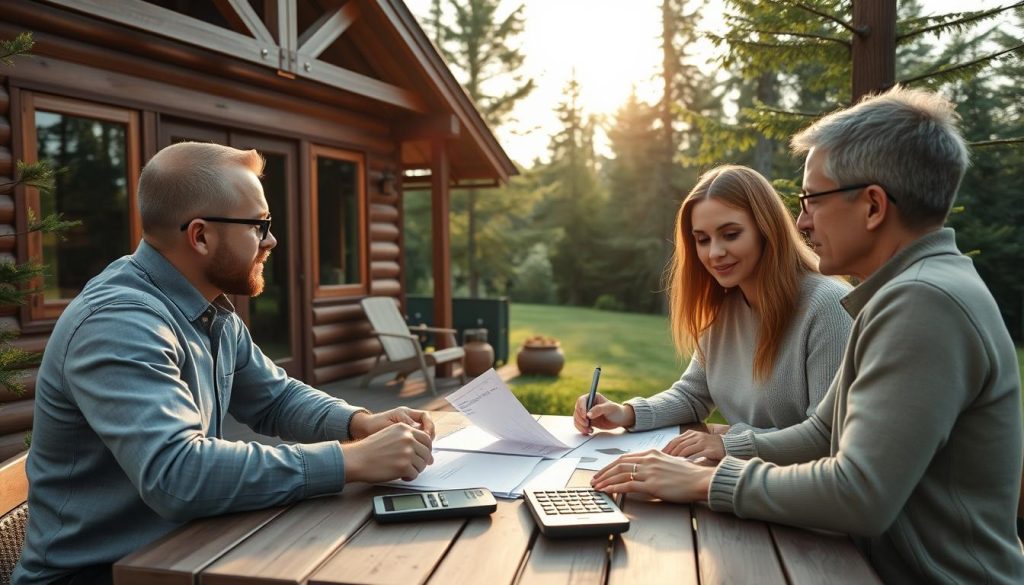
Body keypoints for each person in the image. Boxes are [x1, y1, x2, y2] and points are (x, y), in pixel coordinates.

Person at [592, 87, 1024, 584]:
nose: (800, 220)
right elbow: (823, 431)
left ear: (873, 206)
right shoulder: (904, 293)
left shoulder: (923, 302)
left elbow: (858, 494)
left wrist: (707, 482)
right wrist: (720, 450)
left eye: (812, 199)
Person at [14, 142, 436, 585]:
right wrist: (351, 461)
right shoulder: (120, 323)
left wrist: (358, 424)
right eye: (259, 225)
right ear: (200, 235)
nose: (271, 240)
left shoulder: (208, 308)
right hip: (101, 576)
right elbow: (177, 475)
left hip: (185, 555)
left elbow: (273, 399)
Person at [574, 165, 852, 461]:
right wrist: (626, 413)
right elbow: (692, 396)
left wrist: (727, 443)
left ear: (766, 230)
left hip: (801, 495)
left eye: (730, 234)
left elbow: (827, 438)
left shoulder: (829, 308)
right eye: (702, 239)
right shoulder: (724, 308)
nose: (714, 252)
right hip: (745, 481)